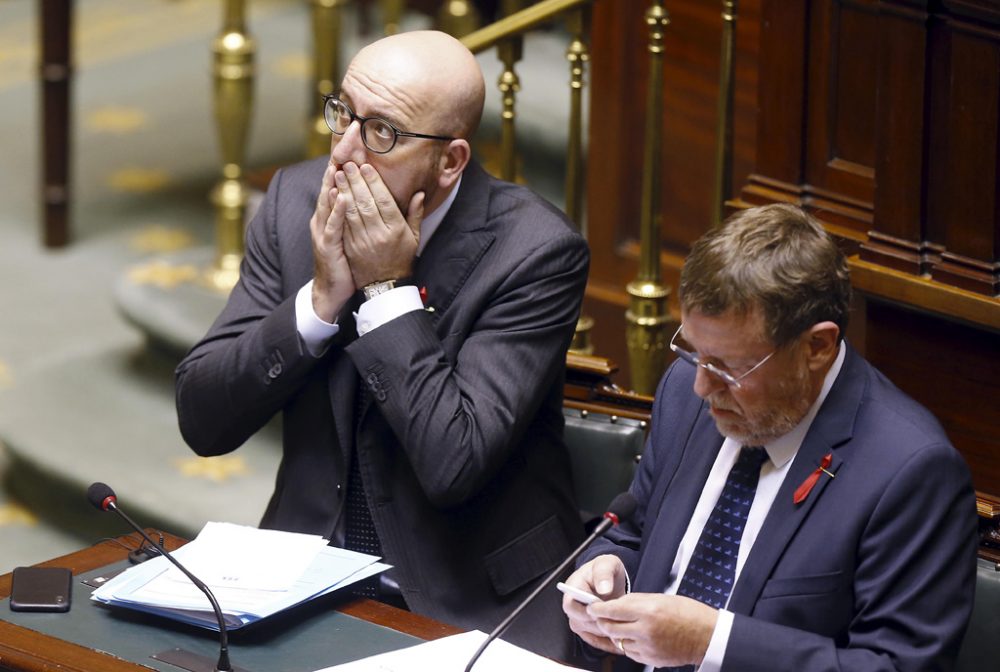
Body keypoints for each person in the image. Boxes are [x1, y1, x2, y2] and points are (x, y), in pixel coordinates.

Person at [175, 30, 588, 658]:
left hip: (470, 595)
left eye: (382, 133)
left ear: (450, 162)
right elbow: (202, 420)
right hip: (304, 576)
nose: (342, 152)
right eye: (343, 113)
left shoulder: (535, 253)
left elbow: (455, 462)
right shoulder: (296, 203)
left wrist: (387, 291)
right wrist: (319, 303)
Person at [561, 204, 978, 671]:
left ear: (816, 347)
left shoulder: (910, 471)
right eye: (695, 351)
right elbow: (633, 535)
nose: (703, 385)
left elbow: (896, 666)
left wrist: (712, 643)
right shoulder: (686, 392)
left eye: (729, 367)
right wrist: (605, 571)